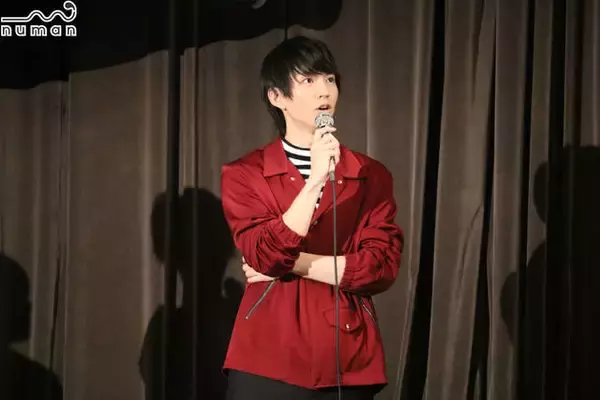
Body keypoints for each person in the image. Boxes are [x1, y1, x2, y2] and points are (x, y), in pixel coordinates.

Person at [220, 35, 404, 400]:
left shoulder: (370, 174)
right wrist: (316, 180)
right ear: (277, 97)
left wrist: (292, 264)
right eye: (308, 80)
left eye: (329, 79)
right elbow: (264, 252)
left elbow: (380, 266)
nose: (325, 90)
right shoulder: (245, 173)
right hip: (269, 356)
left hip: (346, 356)